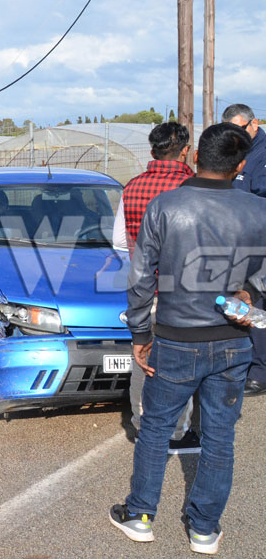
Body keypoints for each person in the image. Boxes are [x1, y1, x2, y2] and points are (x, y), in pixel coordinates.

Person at [110, 122, 266, 555]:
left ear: (194, 156)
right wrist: (250, 293)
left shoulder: (164, 206)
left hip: (176, 337)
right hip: (234, 338)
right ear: (239, 166)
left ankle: (140, 515)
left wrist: (140, 333)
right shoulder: (260, 210)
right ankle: (204, 528)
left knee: (157, 426)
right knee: (219, 435)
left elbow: (141, 278)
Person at [112, 122, 199, 454]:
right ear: (186, 150)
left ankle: (139, 423)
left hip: (142, 284)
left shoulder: (132, 186)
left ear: (152, 152)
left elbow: (120, 240)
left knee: (142, 355)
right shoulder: (191, 186)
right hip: (182, 289)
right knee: (178, 363)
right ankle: (176, 432)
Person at [223, 104, 266, 396]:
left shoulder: (262, 155)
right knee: (240, 302)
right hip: (234, 239)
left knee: (257, 303)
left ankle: (259, 372)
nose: (237, 134)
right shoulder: (234, 149)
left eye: (241, 128)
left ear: (255, 123)